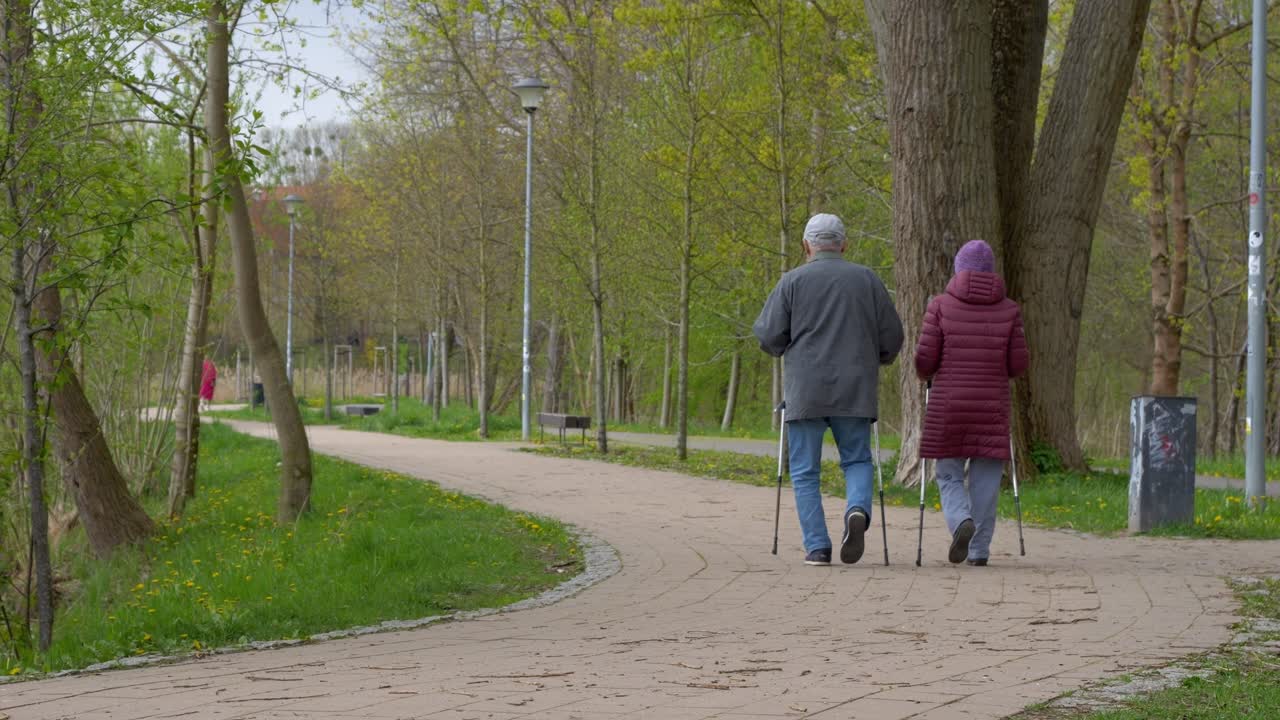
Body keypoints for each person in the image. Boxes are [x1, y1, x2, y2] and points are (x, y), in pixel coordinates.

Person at [753, 213, 904, 566]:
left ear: (806, 245)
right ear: (844, 244)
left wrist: (783, 346)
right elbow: (892, 335)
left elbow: (768, 335)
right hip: (855, 386)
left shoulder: (791, 281)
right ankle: (857, 510)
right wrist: (880, 357)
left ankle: (817, 548)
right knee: (857, 459)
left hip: (806, 388)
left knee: (806, 470)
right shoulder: (867, 280)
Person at [915, 239, 1029, 566]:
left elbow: (925, 361)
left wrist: (925, 371)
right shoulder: (1010, 310)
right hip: (991, 405)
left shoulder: (939, 306)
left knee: (949, 473)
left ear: (958, 270)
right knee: (987, 478)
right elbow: (1018, 365)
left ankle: (960, 520)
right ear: (991, 272)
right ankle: (978, 550)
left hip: (949, 404)